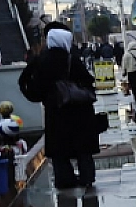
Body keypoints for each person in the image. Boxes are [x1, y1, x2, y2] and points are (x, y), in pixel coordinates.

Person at [19, 23, 100, 189]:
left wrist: (40, 96)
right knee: (83, 148)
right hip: (79, 111)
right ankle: (87, 177)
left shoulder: (41, 60)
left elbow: (26, 82)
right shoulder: (72, 59)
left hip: (55, 112)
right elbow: (88, 82)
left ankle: (65, 180)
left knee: (59, 150)